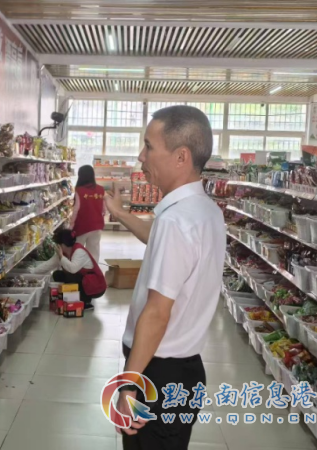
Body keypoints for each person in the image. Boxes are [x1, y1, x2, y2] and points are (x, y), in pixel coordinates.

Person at [104, 105, 226, 450]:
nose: (141, 156)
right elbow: (158, 240)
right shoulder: (204, 211)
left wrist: (130, 385)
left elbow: (157, 313)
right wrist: (120, 214)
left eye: (149, 146)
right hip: (184, 371)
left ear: (181, 156)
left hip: (156, 374)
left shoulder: (176, 221)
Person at [52, 228, 107, 311]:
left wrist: (61, 256)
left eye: (57, 244)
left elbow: (72, 269)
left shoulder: (79, 251)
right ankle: (72, 297)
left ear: (62, 245)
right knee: (58, 275)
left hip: (96, 286)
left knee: (71, 277)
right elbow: (49, 264)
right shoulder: (65, 252)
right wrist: (33, 272)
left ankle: (85, 302)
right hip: (86, 281)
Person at [69, 164, 106, 262]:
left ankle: (77, 268)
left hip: (82, 226)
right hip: (97, 225)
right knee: (94, 251)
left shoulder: (79, 190)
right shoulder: (101, 189)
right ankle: (93, 269)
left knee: (78, 250)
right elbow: (104, 210)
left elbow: (76, 209)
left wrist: (71, 224)